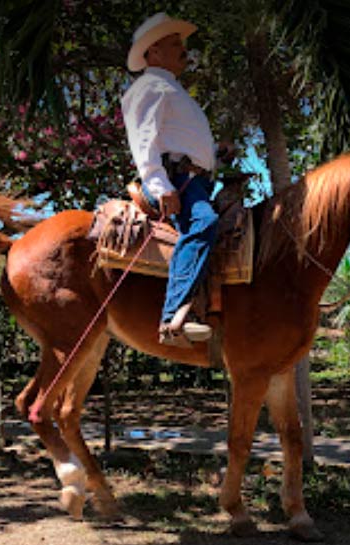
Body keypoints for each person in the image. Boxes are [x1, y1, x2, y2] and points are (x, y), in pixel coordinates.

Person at [122, 12, 230, 348]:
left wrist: (216, 152)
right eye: (173, 44)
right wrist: (160, 186)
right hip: (178, 182)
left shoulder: (171, 89)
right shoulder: (150, 86)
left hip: (194, 179)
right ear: (153, 53)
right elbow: (143, 139)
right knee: (204, 222)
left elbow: (178, 140)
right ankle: (172, 319)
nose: (183, 49)